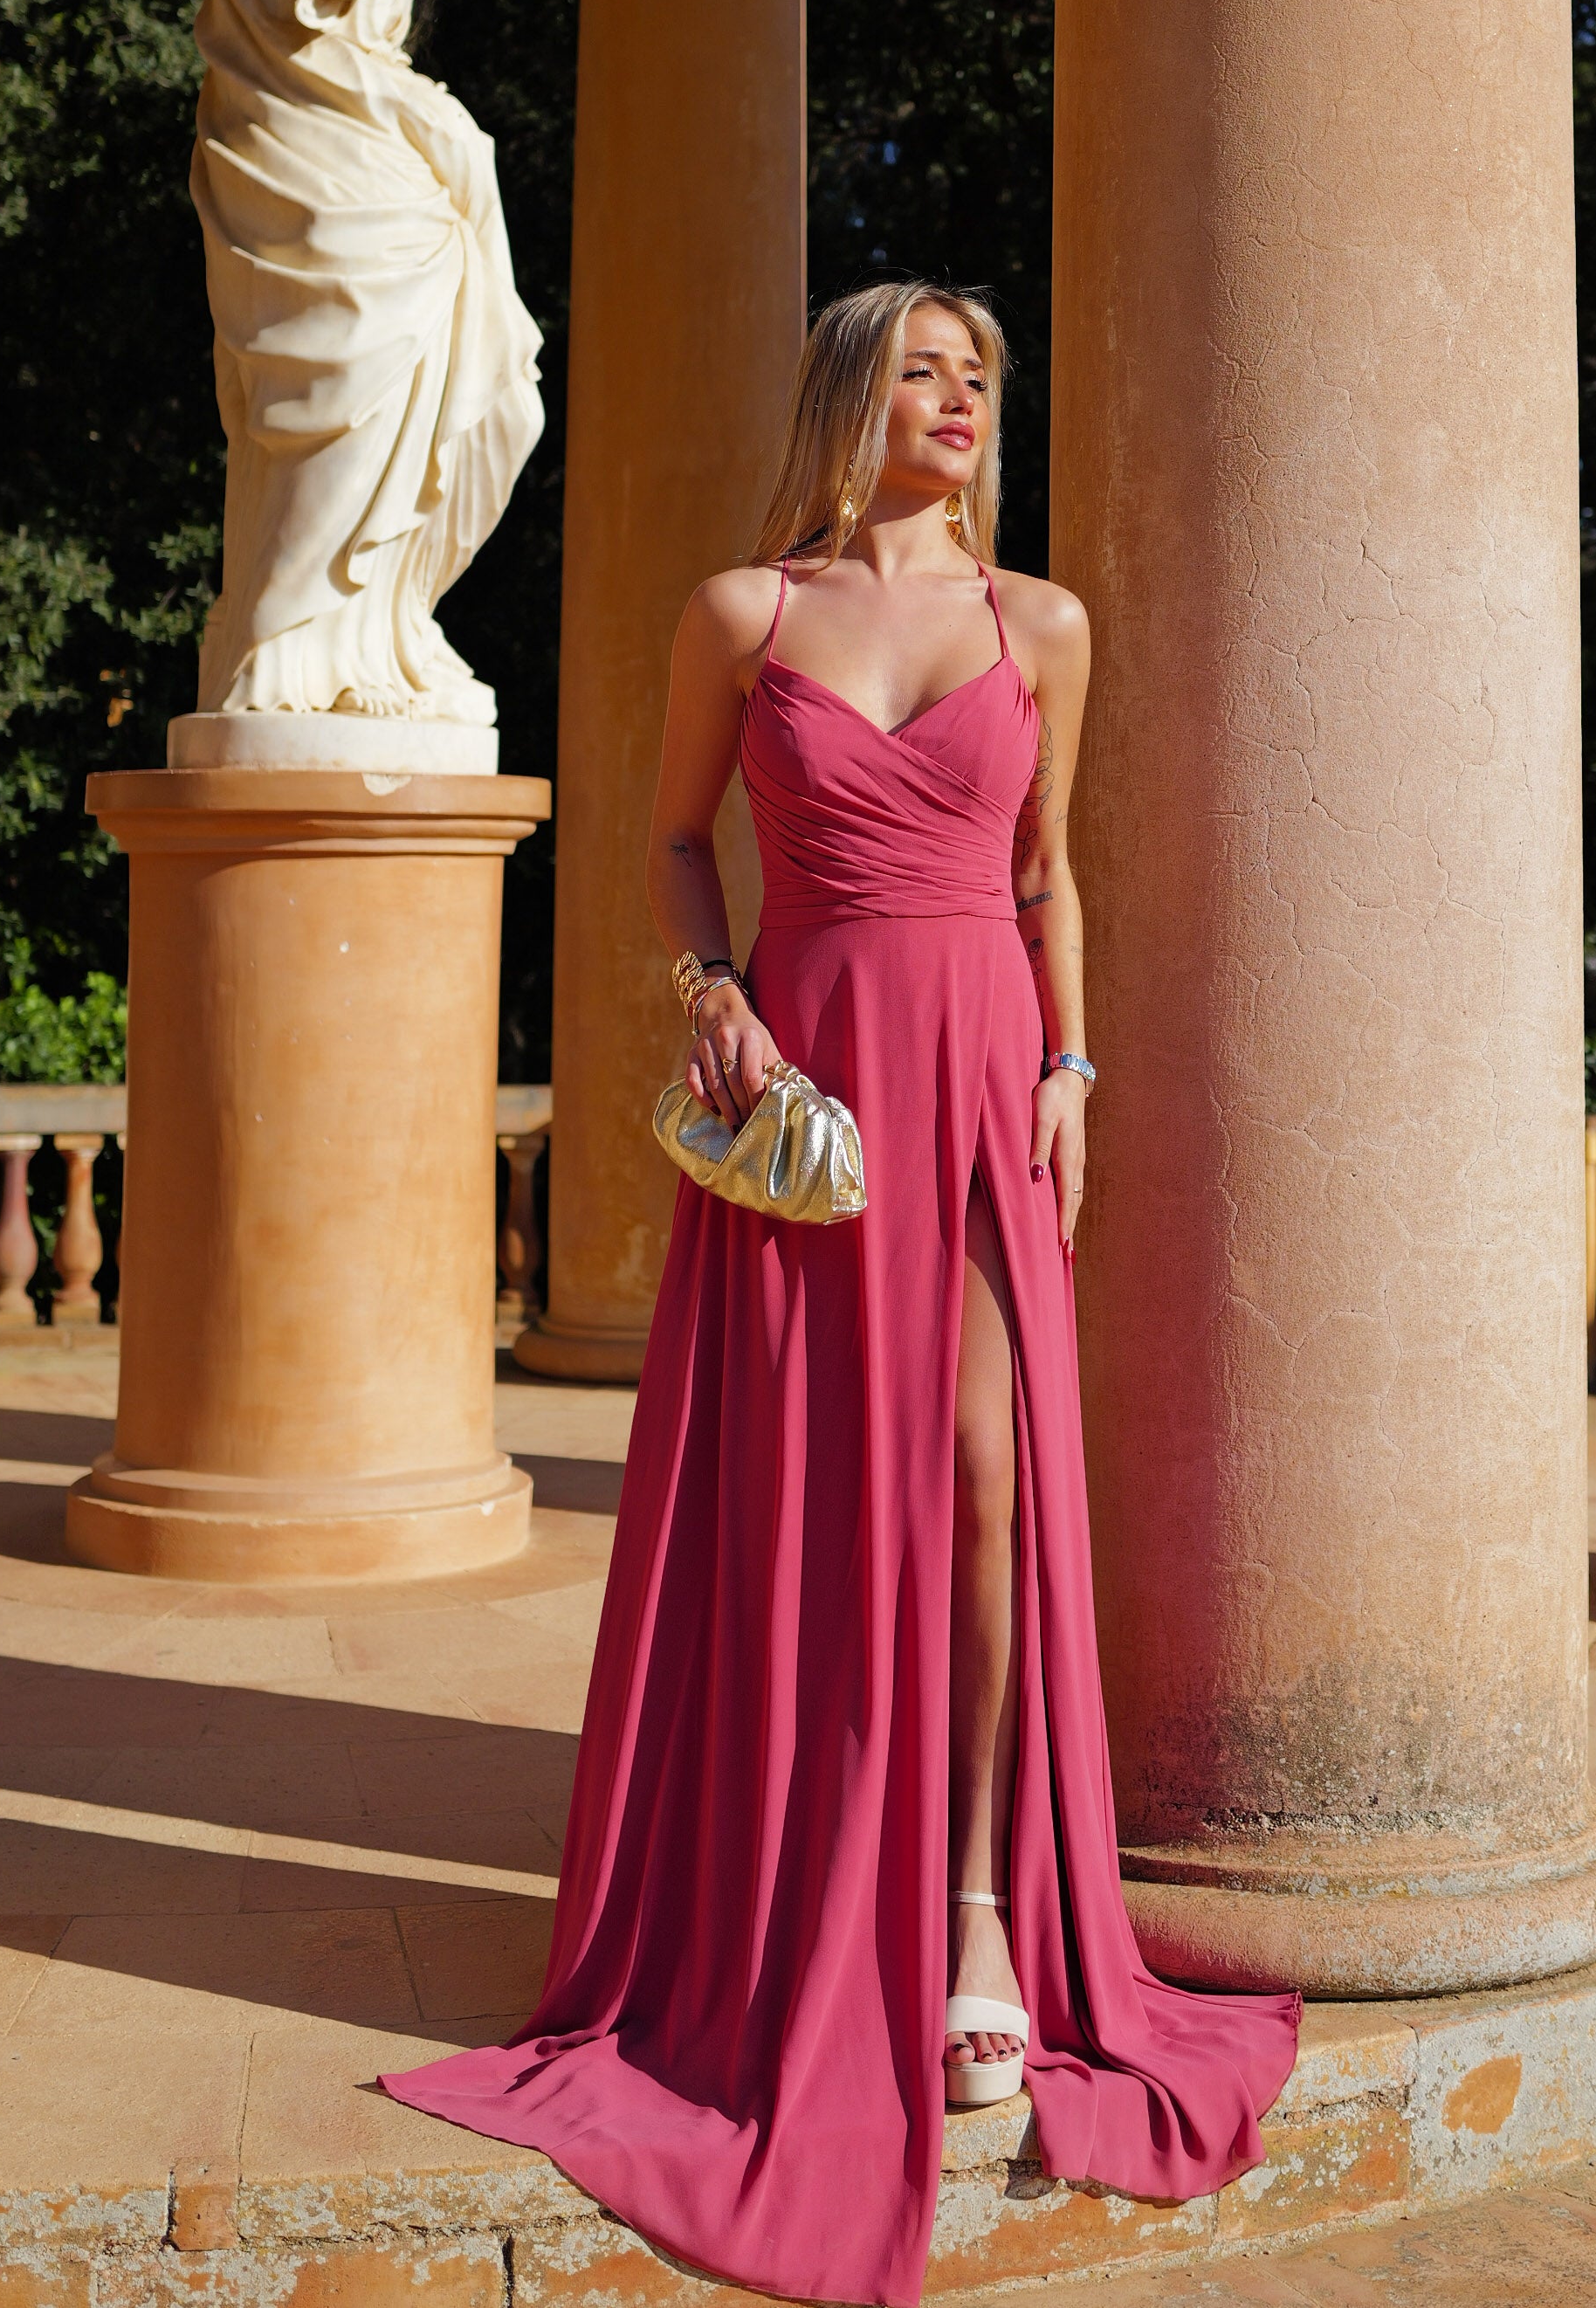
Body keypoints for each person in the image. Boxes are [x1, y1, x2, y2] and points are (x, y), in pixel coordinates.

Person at [382, 284, 1298, 2307]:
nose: (963, 399)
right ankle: (796, 1913)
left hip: (978, 1075)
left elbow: (1050, 874)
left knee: (980, 1483)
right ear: (844, 399)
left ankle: (975, 1912)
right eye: (924, 371)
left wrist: (1072, 1072)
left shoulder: (1036, 623)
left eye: (980, 376)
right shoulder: (744, 615)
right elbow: (665, 844)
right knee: (806, 1501)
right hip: (811, 1086)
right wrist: (713, 993)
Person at [189, 0, 544, 725]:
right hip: (334, 209)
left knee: (454, 406)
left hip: (379, 188)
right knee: (347, 405)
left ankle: (377, 628)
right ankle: (285, 641)